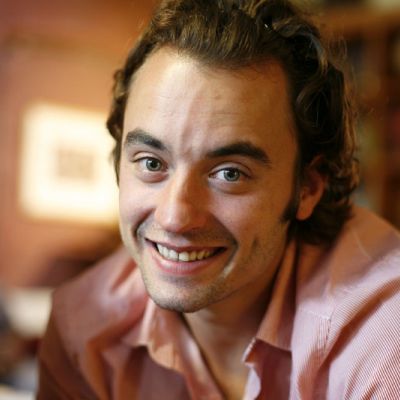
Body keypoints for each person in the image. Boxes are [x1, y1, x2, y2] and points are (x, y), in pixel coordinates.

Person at [37, 0, 400, 399]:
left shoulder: (385, 339)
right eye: (152, 163)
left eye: (230, 173)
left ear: (307, 187)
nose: (174, 217)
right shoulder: (82, 332)